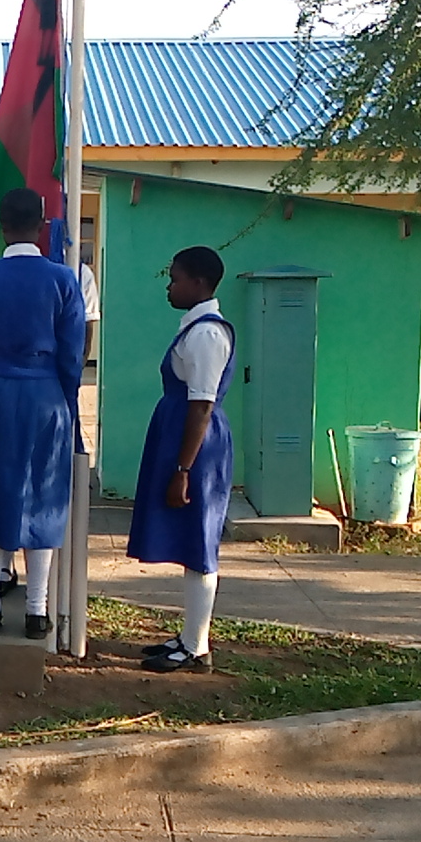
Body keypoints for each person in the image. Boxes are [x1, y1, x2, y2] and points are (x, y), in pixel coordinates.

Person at [0, 188, 86, 638]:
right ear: (43, 224)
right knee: (45, 496)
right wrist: (65, 401)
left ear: (2, 225)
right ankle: (37, 610)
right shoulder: (62, 279)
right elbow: (73, 353)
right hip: (45, 394)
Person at [126, 245, 236, 673]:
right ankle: (190, 636)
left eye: (175, 279)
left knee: (199, 542)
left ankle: (197, 646)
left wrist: (183, 470)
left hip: (197, 446)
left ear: (199, 283)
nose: (169, 287)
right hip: (183, 435)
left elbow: (202, 406)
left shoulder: (208, 334)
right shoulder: (193, 328)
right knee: (190, 538)